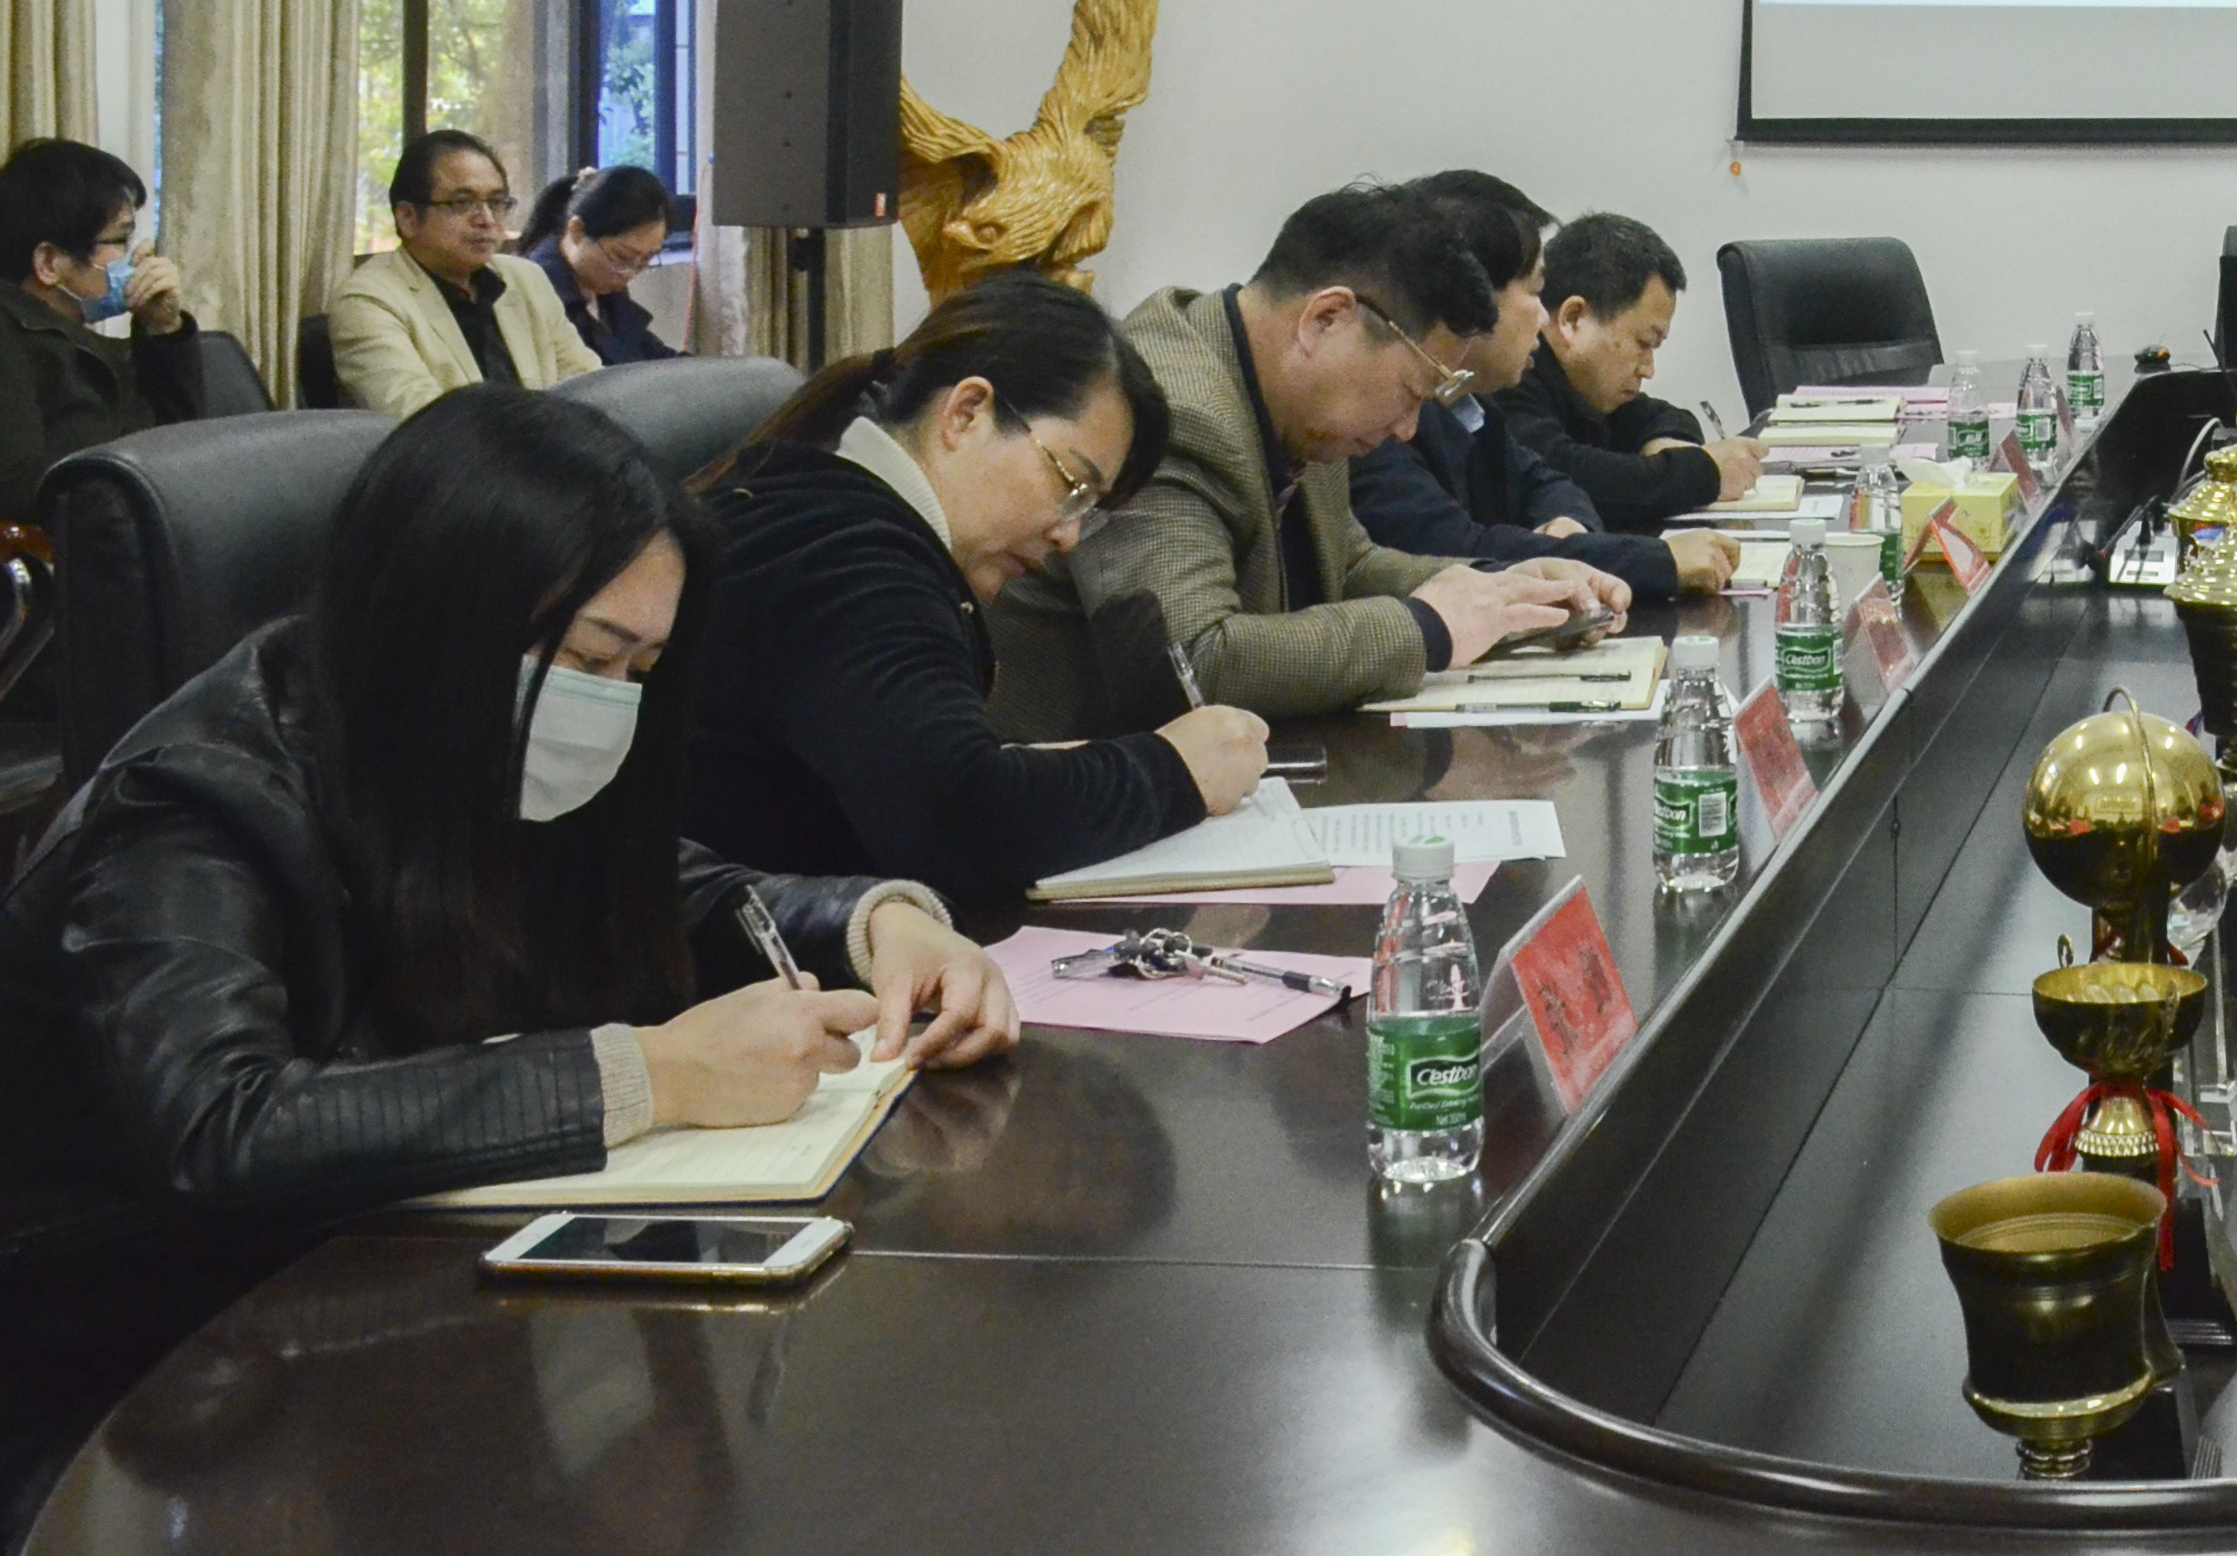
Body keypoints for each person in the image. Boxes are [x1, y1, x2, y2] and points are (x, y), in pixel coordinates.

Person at [0, 388, 1018, 1510]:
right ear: (450, 618)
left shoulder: (449, 733)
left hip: (380, 1271)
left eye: (641, 670)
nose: (611, 702)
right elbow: (223, 1125)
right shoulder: (191, 801)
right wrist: (656, 1072)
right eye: (591, 656)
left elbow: (658, 886)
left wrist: (881, 923)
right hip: (142, 1362)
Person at [678, 273, 1280, 925]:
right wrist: (1175, 771)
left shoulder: (821, 506)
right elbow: (957, 819)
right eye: (1072, 486)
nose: (1068, 535)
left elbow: (917, 771)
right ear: (965, 413)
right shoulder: (849, 559)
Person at [984, 184, 1621, 736]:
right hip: (1065, 797)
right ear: (1326, 319)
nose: (1407, 430)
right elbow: (1193, 661)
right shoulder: (1171, 409)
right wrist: (1427, 628)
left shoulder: (1294, 398)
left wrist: (1504, 592)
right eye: (1410, 391)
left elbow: (1350, 566)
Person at [1352, 173, 1740, 604]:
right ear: (1471, 298)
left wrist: (1568, 521)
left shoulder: (1465, 403)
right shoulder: (1374, 421)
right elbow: (1461, 552)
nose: (1543, 319)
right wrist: (1658, 561)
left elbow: (1544, 480)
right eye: (1535, 292)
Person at [1484, 212, 1767, 529]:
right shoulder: (1506, 378)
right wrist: (1701, 473)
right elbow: (1565, 472)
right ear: (1573, 318)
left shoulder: (1584, 385)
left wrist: (1666, 443)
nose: (1648, 369)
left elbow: (1660, 416)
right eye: (1644, 343)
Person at [0, 138, 206, 543]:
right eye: (120, 241)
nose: (138, 258)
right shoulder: (10, 340)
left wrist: (163, 329)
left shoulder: (81, 339)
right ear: (49, 263)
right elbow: (18, 487)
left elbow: (185, 445)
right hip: (83, 557)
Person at [323, 129, 596, 414]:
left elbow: (588, 387)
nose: (486, 220)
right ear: (408, 218)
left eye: (496, 202)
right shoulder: (369, 301)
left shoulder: (526, 279)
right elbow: (421, 418)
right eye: (463, 203)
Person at [520, 165, 682, 368]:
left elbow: (649, 354)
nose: (630, 273)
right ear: (577, 230)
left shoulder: (606, 291)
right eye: (622, 257)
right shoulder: (533, 289)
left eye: (646, 259)